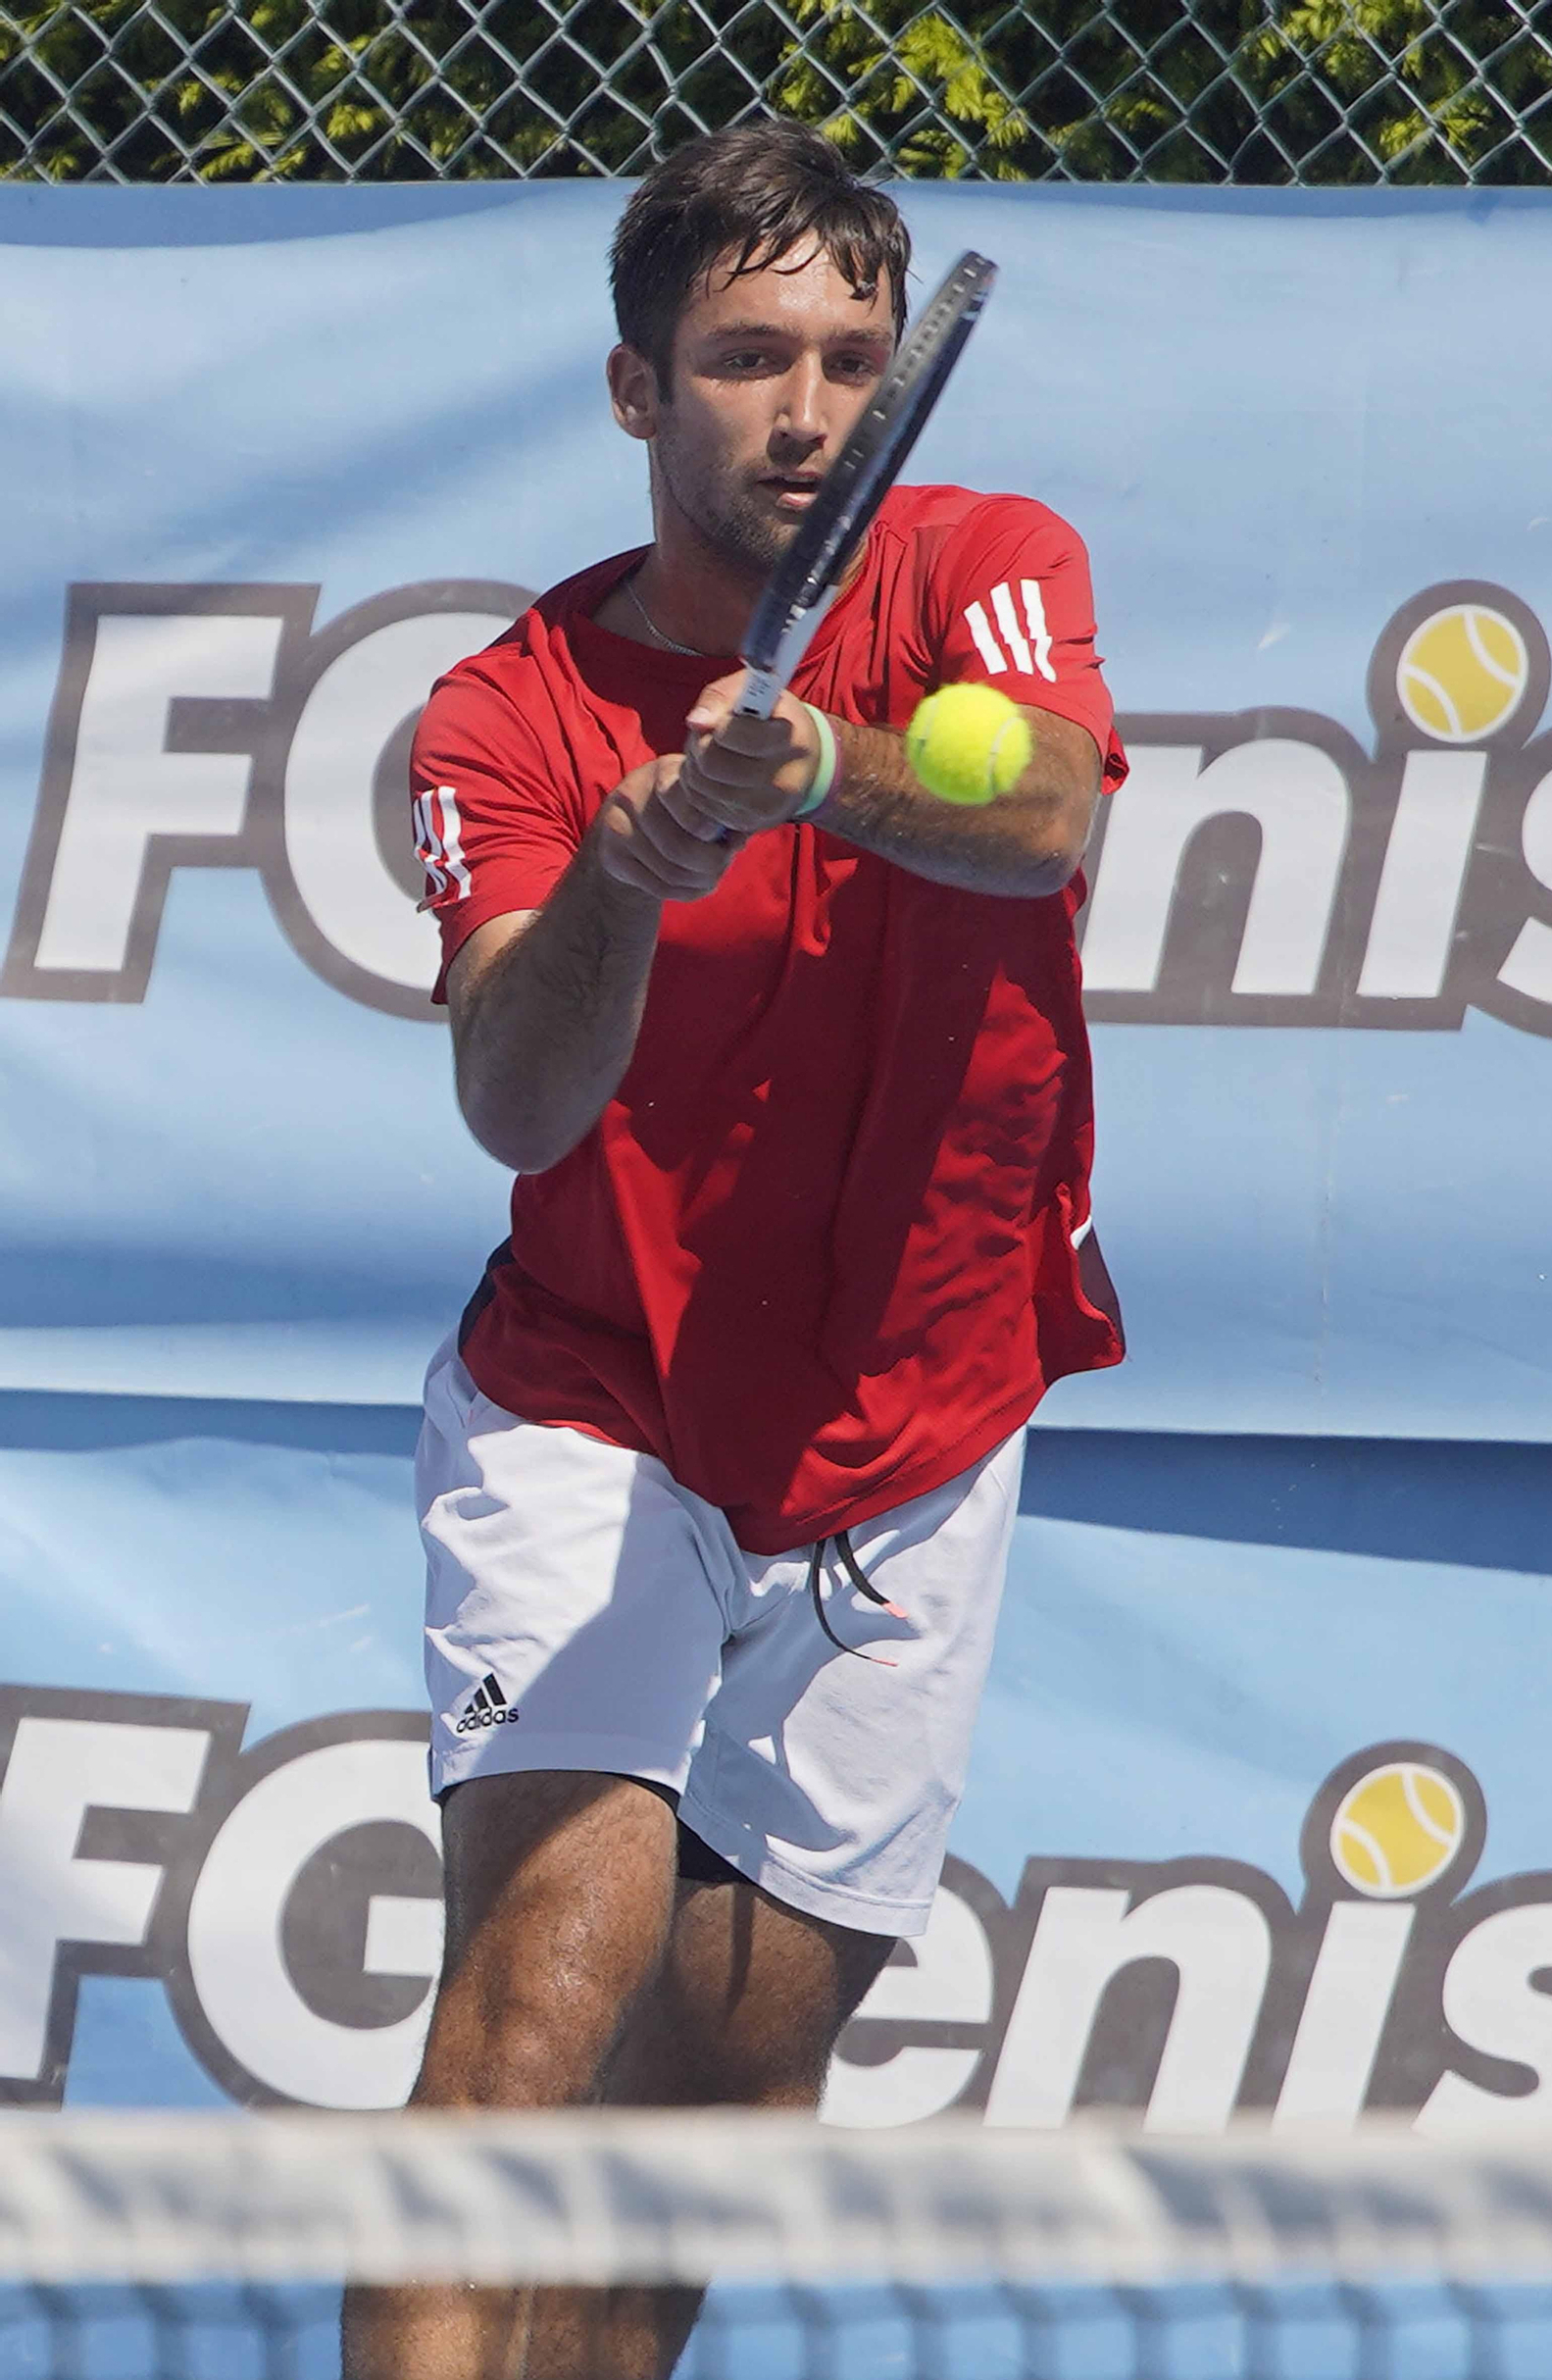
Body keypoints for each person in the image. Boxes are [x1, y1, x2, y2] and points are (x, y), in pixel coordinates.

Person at [342, 119, 1126, 2380]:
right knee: (531, 2007)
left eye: (850, 364)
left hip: (919, 1414)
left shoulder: (980, 563)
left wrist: (818, 773)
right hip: (598, 1399)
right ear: (633, 387)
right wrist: (620, 871)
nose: (806, 412)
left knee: (717, 2102)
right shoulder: (498, 709)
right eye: (745, 357)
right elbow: (515, 1095)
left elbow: (1044, 808)